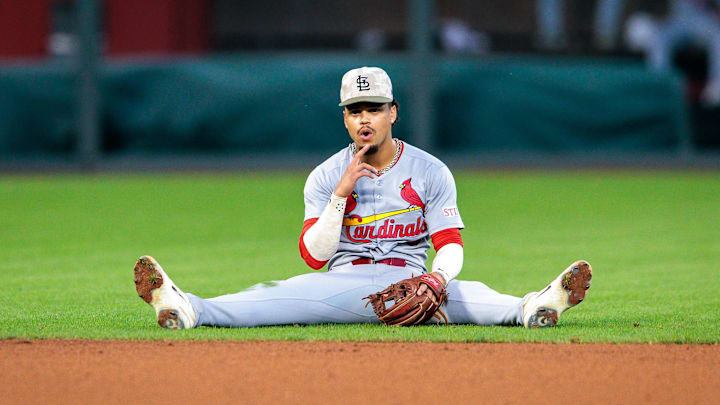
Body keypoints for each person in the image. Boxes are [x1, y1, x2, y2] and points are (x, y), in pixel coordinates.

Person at [133, 66, 593, 330]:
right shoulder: (325, 175)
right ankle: (186, 307)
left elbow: (449, 241)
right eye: (355, 111)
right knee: (271, 297)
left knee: (470, 295)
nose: (365, 118)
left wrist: (434, 279)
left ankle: (536, 306)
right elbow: (314, 258)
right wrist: (340, 194)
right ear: (345, 119)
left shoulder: (430, 170)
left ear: (393, 112)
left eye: (374, 108)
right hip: (340, 286)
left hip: (413, 284)